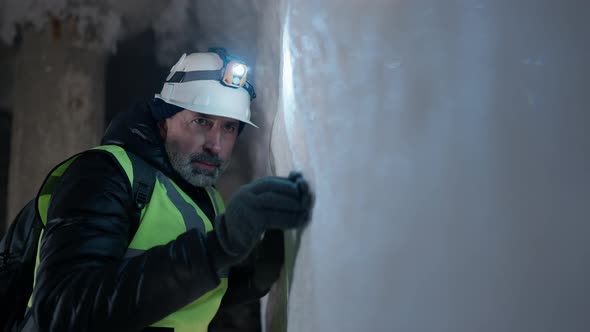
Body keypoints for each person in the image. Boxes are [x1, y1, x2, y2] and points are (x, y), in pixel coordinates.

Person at [21, 49, 313, 332]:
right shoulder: (102, 175)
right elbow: (64, 311)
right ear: (163, 122)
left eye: (229, 127)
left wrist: (253, 272)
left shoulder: (204, 196)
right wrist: (218, 248)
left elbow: (172, 300)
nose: (215, 145)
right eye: (201, 121)